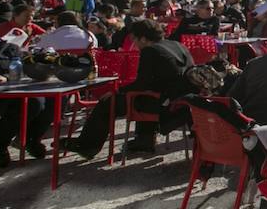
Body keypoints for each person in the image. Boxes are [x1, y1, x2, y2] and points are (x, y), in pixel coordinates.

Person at [67, 18, 195, 158]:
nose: (134, 43)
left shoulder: (150, 51)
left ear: (144, 39)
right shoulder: (178, 45)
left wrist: (116, 91)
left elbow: (141, 83)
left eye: (135, 39)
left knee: (108, 102)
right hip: (179, 101)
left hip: (162, 104)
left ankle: (87, 145)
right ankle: (144, 140)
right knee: (144, 94)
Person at [0, 17, 53, 168]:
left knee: (49, 99)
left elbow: (22, 71)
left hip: (7, 91)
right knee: (32, 102)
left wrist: (5, 78)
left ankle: (29, 138)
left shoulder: (9, 48)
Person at [32, 11, 98, 51]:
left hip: (59, 70)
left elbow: (38, 49)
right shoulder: (90, 35)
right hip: (87, 69)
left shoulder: (51, 36)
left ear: (58, 22)